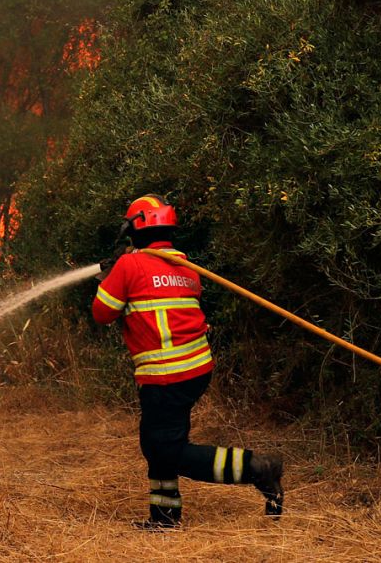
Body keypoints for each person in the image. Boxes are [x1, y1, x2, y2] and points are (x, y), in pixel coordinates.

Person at [92, 194, 284, 529]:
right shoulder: (185, 266)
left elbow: (102, 313)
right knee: (157, 442)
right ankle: (164, 516)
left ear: (136, 228)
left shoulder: (129, 265)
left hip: (167, 374)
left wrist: (108, 278)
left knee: (166, 449)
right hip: (194, 370)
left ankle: (256, 467)